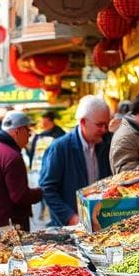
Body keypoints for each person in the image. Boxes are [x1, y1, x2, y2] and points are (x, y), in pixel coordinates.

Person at [40, 95, 112, 226]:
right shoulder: (60, 148)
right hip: (71, 227)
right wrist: (70, 218)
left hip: (102, 221)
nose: (104, 129)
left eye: (106, 124)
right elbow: (47, 189)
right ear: (83, 122)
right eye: (99, 125)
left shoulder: (106, 142)